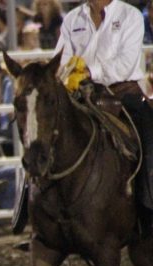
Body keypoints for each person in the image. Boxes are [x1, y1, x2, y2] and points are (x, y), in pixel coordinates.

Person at [55, 0, 153, 230]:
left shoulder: (130, 16)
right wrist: (69, 74)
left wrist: (89, 71)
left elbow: (126, 63)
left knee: (148, 136)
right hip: (80, 94)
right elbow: (62, 58)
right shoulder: (72, 19)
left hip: (123, 93)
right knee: (44, 130)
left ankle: (147, 207)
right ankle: (33, 212)